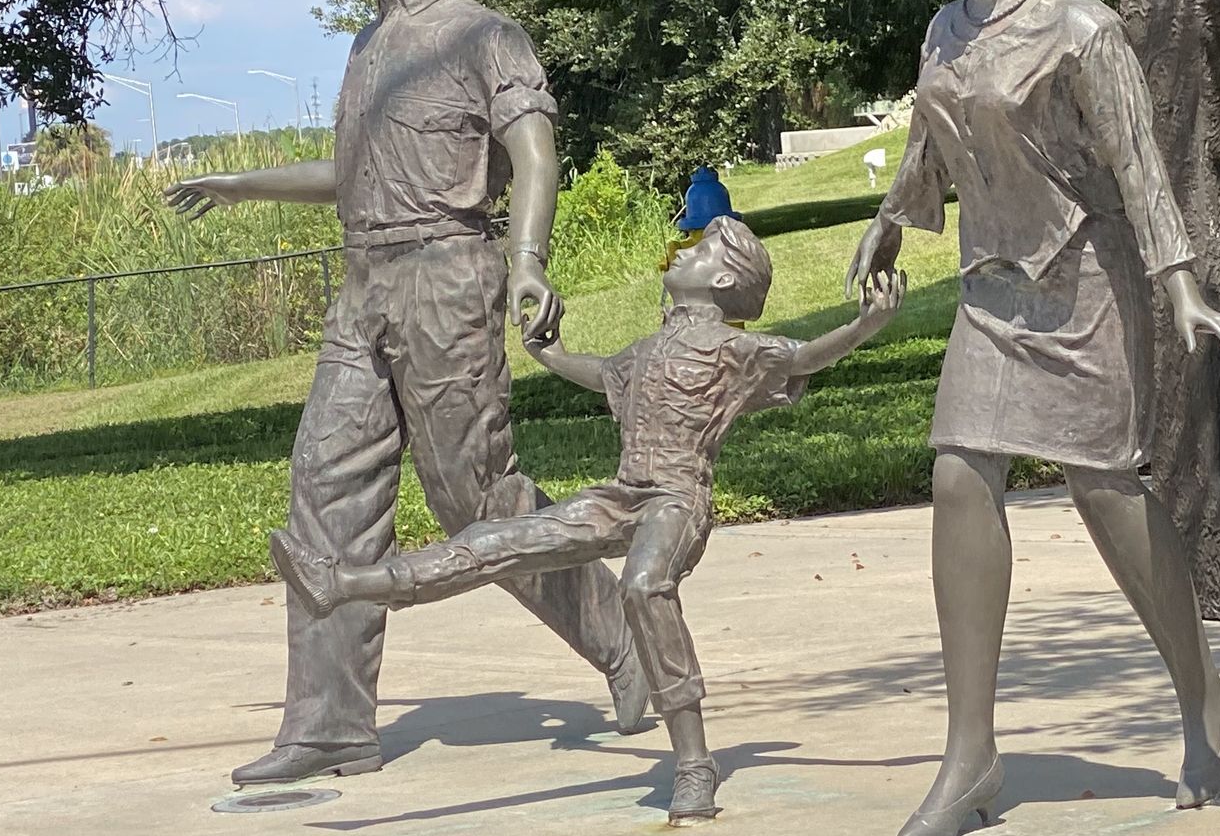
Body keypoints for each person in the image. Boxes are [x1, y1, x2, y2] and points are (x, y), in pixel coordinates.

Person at [163, 0, 645, 785]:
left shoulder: (482, 34)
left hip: (448, 280)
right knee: (325, 487)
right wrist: (238, 181)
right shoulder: (366, 42)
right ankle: (331, 724)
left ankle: (631, 644)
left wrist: (529, 264)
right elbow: (350, 177)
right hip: (363, 289)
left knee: (479, 500)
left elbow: (536, 156)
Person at [842, 0, 1220, 835]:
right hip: (991, 287)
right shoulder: (946, 30)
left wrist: (1181, 289)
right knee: (958, 471)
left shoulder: (1084, 28)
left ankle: (1203, 689)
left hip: (1087, 282)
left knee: (1106, 493)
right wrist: (891, 224)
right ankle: (970, 756)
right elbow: (929, 144)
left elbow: (1138, 167)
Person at [271, 216, 905, 825]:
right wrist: (550, 355)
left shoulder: (735, 349)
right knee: (495, 540)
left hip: (677, 501)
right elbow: (604, 374)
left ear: (721, 282)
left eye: (705, 247)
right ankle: (346, 584)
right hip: (622, 493)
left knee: (642, 585)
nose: (684, 248)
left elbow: (802, 357)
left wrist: (866, 325)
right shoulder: (647, 350)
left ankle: (694, 764)